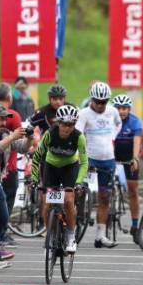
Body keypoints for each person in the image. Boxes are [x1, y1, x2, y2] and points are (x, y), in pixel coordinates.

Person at [30, 105, 89, 254]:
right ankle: (49, 236)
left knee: (68, 200)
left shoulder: (79, 137)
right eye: (64, 124)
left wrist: (79, 182)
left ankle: (70, 235)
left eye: (71, 124)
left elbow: (84, 163)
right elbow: (37, 157)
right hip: (51, 167)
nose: (67, 128)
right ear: (58, 122)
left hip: (70, 167)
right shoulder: (50, 134)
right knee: (46, 203)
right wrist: (34, 179)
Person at [76, 82, 122, 248]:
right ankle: (78, 219)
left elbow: (119, 124)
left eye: (104, 101)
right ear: (92, 99)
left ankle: (100, 236)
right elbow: (78, 135)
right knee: (79, 192)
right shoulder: (84, 114)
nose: (101, 105)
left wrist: (113, 137)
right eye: (97, 101)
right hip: (89, 159)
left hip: (108, 159)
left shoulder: (113, 111)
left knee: (104, 197)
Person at [0, 103, 28, 262]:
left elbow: (23, 148)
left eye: (5, 119)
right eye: (0, 119)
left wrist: (30, 138)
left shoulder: (5, 133)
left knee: (3, 217)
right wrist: (12, 137)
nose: (4, 123)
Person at [112, 94, 143, 243]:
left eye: (124, 108)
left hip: (129, 157)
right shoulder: (111, 120)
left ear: (129, 109)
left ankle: (135, 225)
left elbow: (137, 142)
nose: (121, 111)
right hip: (112, 156)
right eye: (118, 108)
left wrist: (135, 158)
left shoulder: (135, 122)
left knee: (133, 191)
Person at [0, 83, 23, 216]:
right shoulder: (12, 115)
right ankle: (3, 227)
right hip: (9, 167)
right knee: (7, 203)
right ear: (9, 97)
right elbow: (20, 139)